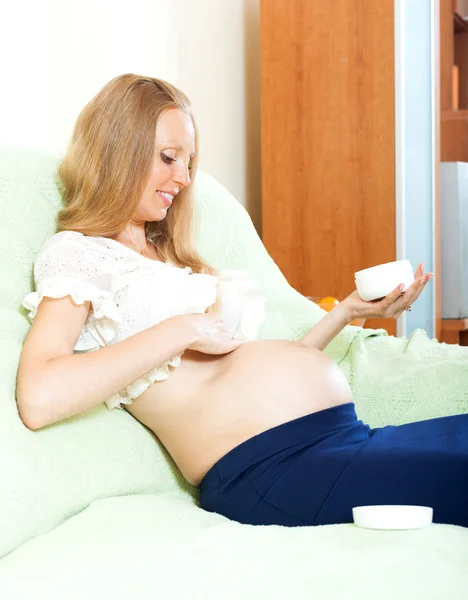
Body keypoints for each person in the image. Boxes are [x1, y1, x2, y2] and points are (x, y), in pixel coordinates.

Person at [17, 74, 467, 528]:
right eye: (169, 158)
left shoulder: (166, 256)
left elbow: (246, 385)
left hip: (334, 438)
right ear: (117, 151)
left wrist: (348, 311)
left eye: (189, 162)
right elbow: (40, 396)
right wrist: (183, 329)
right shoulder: (80, 254)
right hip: (274, 471)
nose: (185, 178)